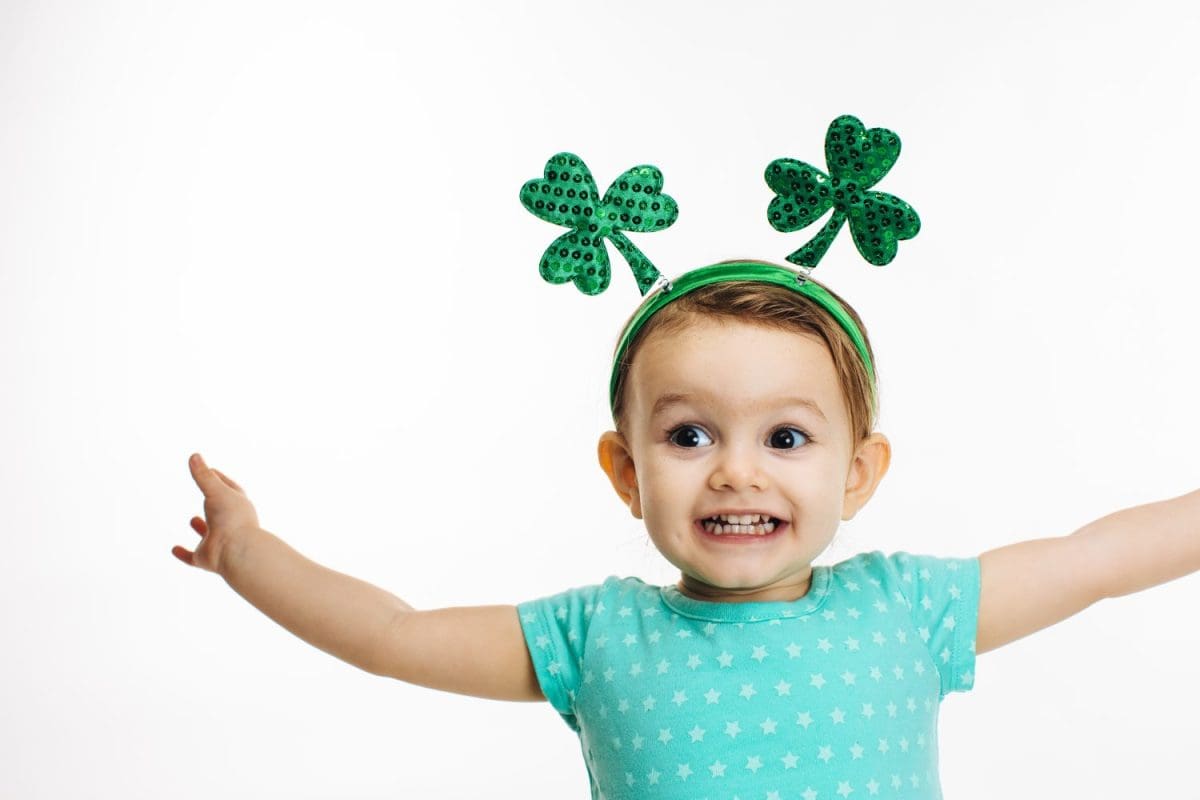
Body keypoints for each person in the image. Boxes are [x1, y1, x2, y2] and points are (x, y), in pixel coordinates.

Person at [174, 122, 1200, 797]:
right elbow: (394, 634)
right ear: (626, 472)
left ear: (859, 472)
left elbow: (1095, 557)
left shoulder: (909, 607)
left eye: (786, 437)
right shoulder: (593, 634)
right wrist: (252, 553)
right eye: (689, 434)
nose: (737, 471)